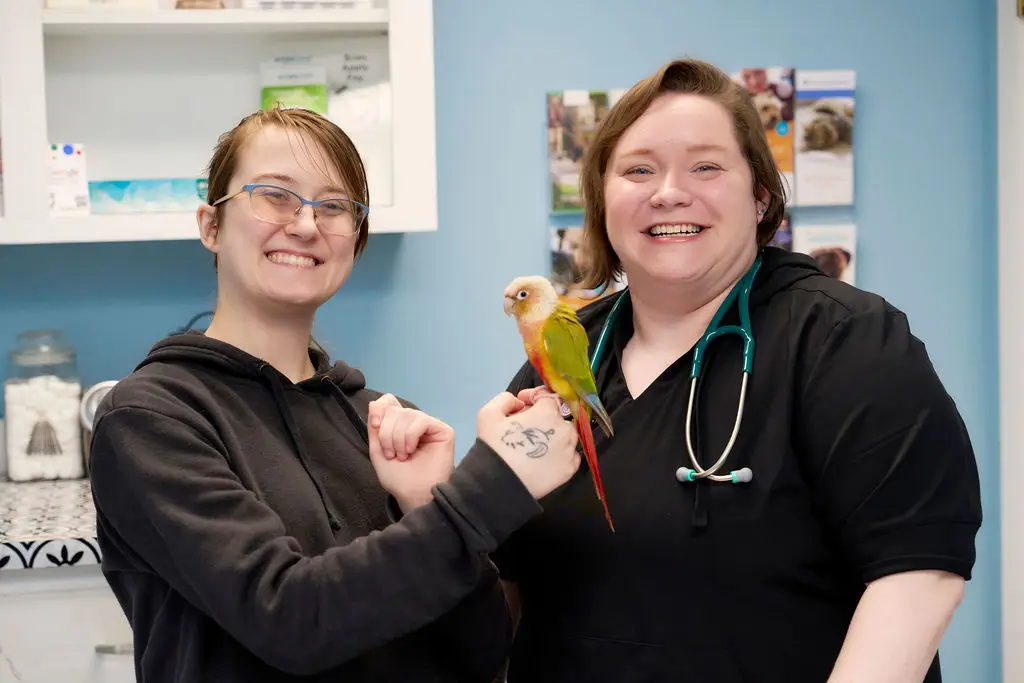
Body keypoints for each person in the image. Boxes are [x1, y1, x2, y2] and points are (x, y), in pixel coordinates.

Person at [492, 59, 984, 683]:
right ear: (602, 199)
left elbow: (918, 576)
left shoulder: (843, 340)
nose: (669, 192)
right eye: (638, 169)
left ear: (759, 196)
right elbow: (504, 587)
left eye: (706, 166)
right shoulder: (567, 349)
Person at [86, 106, 581, 683]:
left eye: (335, 206)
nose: (305, 224)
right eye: (274, 195)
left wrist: (427, 503)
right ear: (211, 225)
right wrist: (493, 485)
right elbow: (291, 619)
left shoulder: (384, 421)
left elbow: (482, 652)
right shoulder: (149, 420)